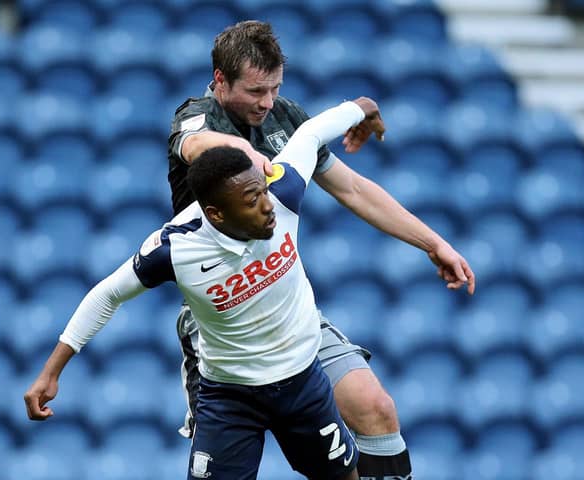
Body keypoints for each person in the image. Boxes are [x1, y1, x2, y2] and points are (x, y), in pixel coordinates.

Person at [168, 20, 476, 480]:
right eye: (255, 91)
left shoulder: (284, 118)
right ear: (219, 80)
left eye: (274, 89)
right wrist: (238, 150)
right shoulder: (196, 116)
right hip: (225, 325)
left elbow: (352, 188)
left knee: (377, 409)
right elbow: (192, 145)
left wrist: (432, 243)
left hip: (289, 310)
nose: (267, 102)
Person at [24, 98, 392, 479]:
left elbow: (311, 132)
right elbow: (107, 294)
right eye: (252, 201)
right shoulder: (175, 248)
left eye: (262, 192)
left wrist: (363, 106)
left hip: (302, 380)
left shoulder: (282, 190)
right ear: (215, 213)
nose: (267, 207)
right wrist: (51, 373)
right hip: (231, 398)